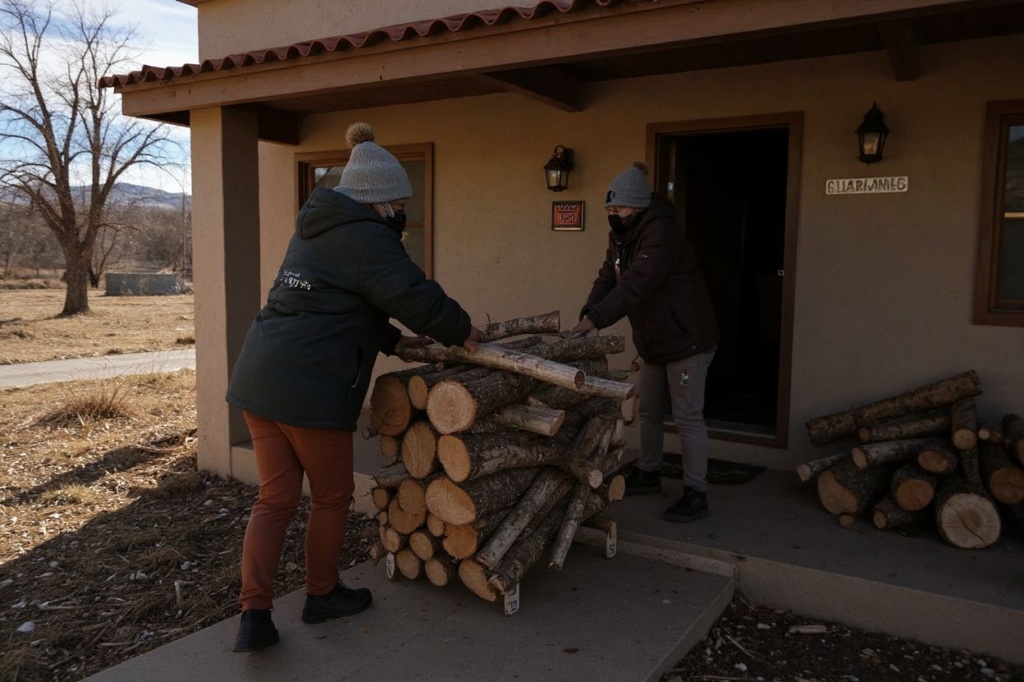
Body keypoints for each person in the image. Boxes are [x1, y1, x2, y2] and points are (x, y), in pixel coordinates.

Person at [225, 122, 482, 652]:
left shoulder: (316, 229)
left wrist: (391, 341)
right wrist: (463, 330)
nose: (402, 212)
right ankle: (321, 596)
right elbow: (414, 295)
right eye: (399, 202)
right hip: (310, 392)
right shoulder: (368, 238)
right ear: (378, 199)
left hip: (259, 378)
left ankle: (254, 616)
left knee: (274, 500)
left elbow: (332, 302)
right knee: (332, 497)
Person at [572, 162, 719, 523]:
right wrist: (590, 310)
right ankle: (649, 472)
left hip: (688, 340)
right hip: (654, 340)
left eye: (616, 209)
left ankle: (696, 492)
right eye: (608, 209)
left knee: (687, 418)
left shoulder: (661, 233)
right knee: (650, 411)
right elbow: (609, 276)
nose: (611, 215)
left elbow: (636, 284)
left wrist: (596, 321)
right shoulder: (621, 237)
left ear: (636, 208)